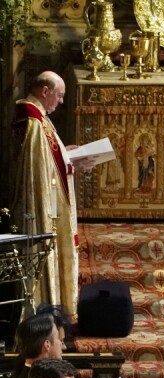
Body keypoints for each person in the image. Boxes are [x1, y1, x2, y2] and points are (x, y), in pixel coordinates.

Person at [12, 71, 94, 314]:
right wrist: (71, 164)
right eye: (58, 95)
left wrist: (64, 152)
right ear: (45, 91)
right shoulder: (32, 118)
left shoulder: (38, 115)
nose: (60, 102)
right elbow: (37, 169)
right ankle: (43, 313)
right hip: (39, 206)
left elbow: (44, 156)